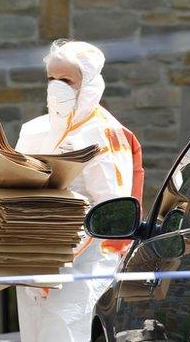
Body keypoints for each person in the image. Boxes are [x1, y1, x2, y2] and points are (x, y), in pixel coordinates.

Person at [14, 40, 136, 342]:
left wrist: (66, 246)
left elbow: (113, 208)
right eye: (51, 79)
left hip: (85, 265)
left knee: (65, 333)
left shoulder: (105, 133)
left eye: (66, 80)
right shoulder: (33, 130)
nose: (56, 87)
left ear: (89, 84)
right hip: (33, 262)